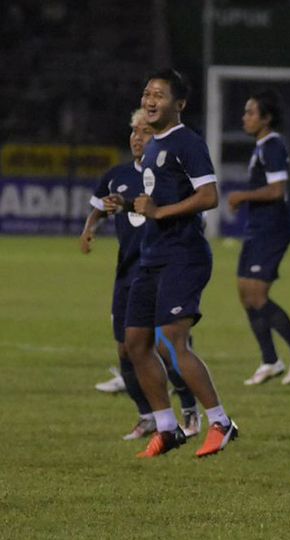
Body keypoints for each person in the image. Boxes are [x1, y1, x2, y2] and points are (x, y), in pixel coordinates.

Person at [108, 69, 236, 458]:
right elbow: (154, 202)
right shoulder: (150, 147)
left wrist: (160, 212)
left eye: (159, 95)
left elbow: (209, 196)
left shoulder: (188, 143)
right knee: (134, 343)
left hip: (184, 254)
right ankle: (167, 427)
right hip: (153, 255)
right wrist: (132, 206)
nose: (150, 100)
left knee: (170, 340)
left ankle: (221, 421)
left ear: (179, 104)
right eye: (147, 93)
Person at [80, 108, 200, 440]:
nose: (137, 138)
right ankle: (147, 416)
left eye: (144, 133)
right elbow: (100, 206)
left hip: (161, 269)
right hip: (127, 272)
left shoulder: (168, 175)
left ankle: (190, 410)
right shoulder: (116, 174)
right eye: (134, 132)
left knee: (165, 347)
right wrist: (89, 228)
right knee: (126, 349)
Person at [227, 89, 290, 386]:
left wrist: (243, 195)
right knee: (245, 293)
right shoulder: (262, 146)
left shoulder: (274, 146)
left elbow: (277, 190)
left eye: (251, 112)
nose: (245, 117)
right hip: (258, 228)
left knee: (257, 296)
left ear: (266, 119)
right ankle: (270, 360)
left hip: (271, 229)